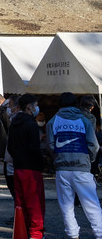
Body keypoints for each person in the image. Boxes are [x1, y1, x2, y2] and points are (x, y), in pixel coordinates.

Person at [46, 91, 102, 239]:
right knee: (92, 205)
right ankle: (99, 234)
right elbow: (94, 146)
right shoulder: (84, 120)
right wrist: (88, 159)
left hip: (62, 169)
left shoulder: (53, 121)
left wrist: (58, 157)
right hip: (82, 168)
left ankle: (72, 235)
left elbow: (50, 145)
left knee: (66, 206)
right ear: (76, 104)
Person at [8, 94, 45, 239]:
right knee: (35, 201)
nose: (36, 108)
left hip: (18, 165)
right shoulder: (31, 124)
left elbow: (10, 146)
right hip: (31, 167)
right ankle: (36, 232)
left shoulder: (14, 123)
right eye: (35, 105)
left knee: (20, 200)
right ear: (29, 106)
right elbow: (35, 148)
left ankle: (21, 228)